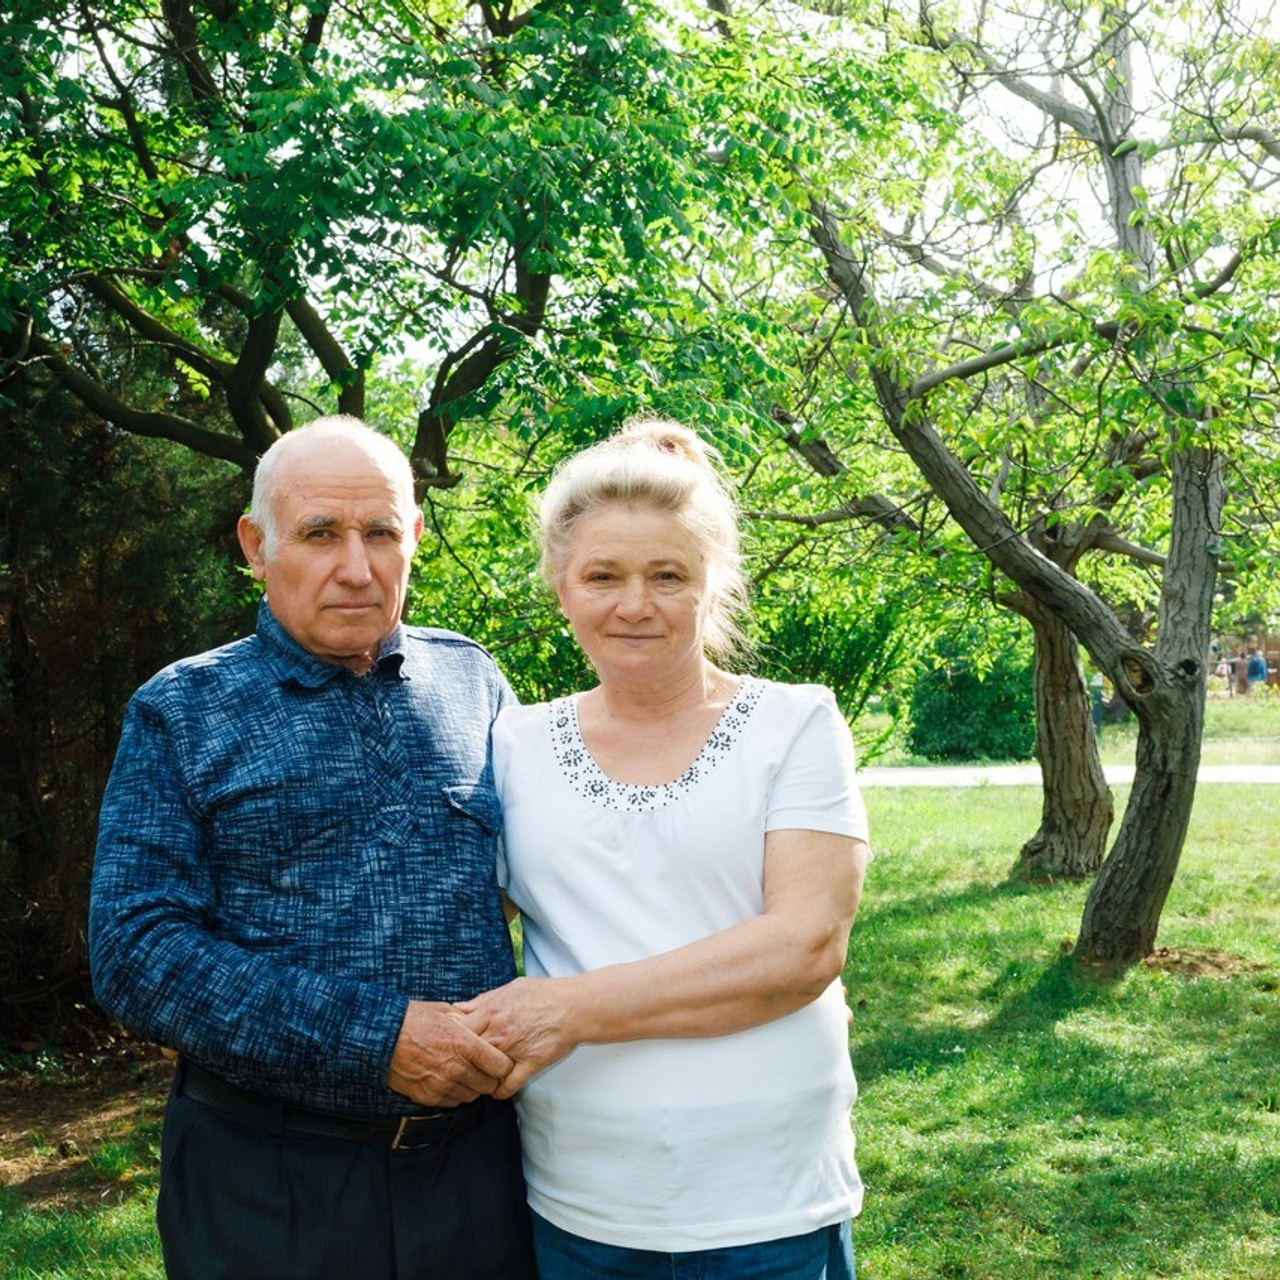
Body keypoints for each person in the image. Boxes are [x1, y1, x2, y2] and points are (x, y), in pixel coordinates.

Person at [89, 416, 535, 1279]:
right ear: (257, 545)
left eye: (381, 533)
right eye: (321, 534)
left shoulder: (473, 681)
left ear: (416, 538)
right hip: (269, 1180)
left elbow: (560, 874)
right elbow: (136, 952)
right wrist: (379, 1038)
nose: (356, 567)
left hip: (478, 1170)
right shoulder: (182, 710)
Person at [460, 418, 872, 1279]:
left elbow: (803, 948)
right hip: (579, 1201)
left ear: (712, 586)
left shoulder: (795, 724)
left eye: (668, 576)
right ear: (561, 588)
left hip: (772, 1201)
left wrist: (565, 1010)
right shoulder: (514, 743)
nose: (634, 604)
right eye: (602, 575)